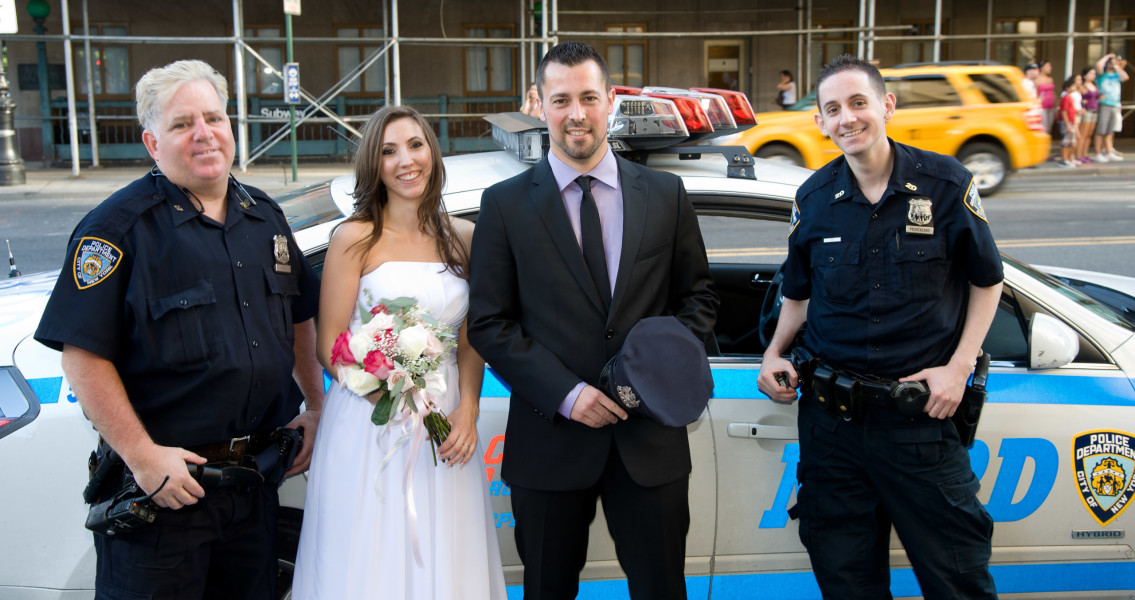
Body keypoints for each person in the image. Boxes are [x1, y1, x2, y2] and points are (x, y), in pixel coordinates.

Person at [33, 59, 324, 599]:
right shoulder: (118, 230)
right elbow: (81, 356)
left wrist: (315, 405)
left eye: (214, 118)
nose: (204, 134)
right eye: (182, 123)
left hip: (256, 488)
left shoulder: (264, 217)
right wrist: (144, 459)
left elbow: (302, 317)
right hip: (166, 498)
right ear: (151, 142)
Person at [467, 41, 718, 599]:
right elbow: (489, 322)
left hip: (649, 443)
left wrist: (652, 376)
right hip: (550, 442)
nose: (576, 113)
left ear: (610, 101)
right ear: (538, 104)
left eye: (588, 97)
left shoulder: (665, 194)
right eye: (561, 100)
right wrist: (566, 393)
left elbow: (698, 299)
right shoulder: (504, 205)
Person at [757, 54, 1002, 600]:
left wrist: (959, 368)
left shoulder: (946, 185)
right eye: (833, 109)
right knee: (847, 582)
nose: (848, 118)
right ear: (819, 121)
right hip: (831, 429)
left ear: (886, 105)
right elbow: (798, 293)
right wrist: (774, 353)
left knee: (957, 579)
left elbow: (989, 282)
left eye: (859, 103)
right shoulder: (814, 199)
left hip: (918, 421)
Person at [291, 105, 506, 599]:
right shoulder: (354, 238)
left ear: (432, 151)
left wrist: (468, 410)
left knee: (444, 554)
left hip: (447, 421)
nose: (405, 160)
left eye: (415, 145)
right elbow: (331, 346)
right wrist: (390, 396)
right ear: (375, 165)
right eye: (388, 151)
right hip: (370, 424)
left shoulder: (466, 239)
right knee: (369, 555)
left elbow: (473, 338)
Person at [1094, 53, 1128, 163]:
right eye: (1110, 63)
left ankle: (1108, 152)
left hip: (1115, 104)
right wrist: (1108, 56)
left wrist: (1116, 65)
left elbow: (1125, 77)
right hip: (1104, 104)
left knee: (1109, 131)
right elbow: (1098, 65)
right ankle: (1098, 153)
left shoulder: (1116, 75)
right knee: (1101, 130)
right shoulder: (1102, 74)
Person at [1078, 66, 1099, 163]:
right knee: (1083, 133)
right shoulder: (1082, 86)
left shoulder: (1094, 85)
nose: (1093, 75)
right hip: (1087, 111)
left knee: (1089, 134)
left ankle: (1085, 154)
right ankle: (1079, 154)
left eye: (1094, 74)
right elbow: (1077, 98)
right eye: (1090, 73)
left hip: (1095, 110)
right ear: (1085, 75)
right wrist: (1082, 102)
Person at [1059, 75, 1080, 167]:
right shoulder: (1066, 97)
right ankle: (1064, 159)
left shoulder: (1069, 97)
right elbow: (1064, 111)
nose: (1075, 88)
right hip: (1067, 122)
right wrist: (1067, 124)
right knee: (1066, 141)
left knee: (1071, 141)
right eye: (1073, 86)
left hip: (1071, 121)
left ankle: (1068, 158)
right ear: (1067, 88)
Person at [1036, 60, 1057, 136]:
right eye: (1048, 66)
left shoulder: (1050, 79)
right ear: (1042, 68)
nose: (1050, 68)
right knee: (1044, 128)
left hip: (1051, 106)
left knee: (1049, 129)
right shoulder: (1037, 79)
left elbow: (1053, 92)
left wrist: (1056, 105)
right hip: (1042, 107)